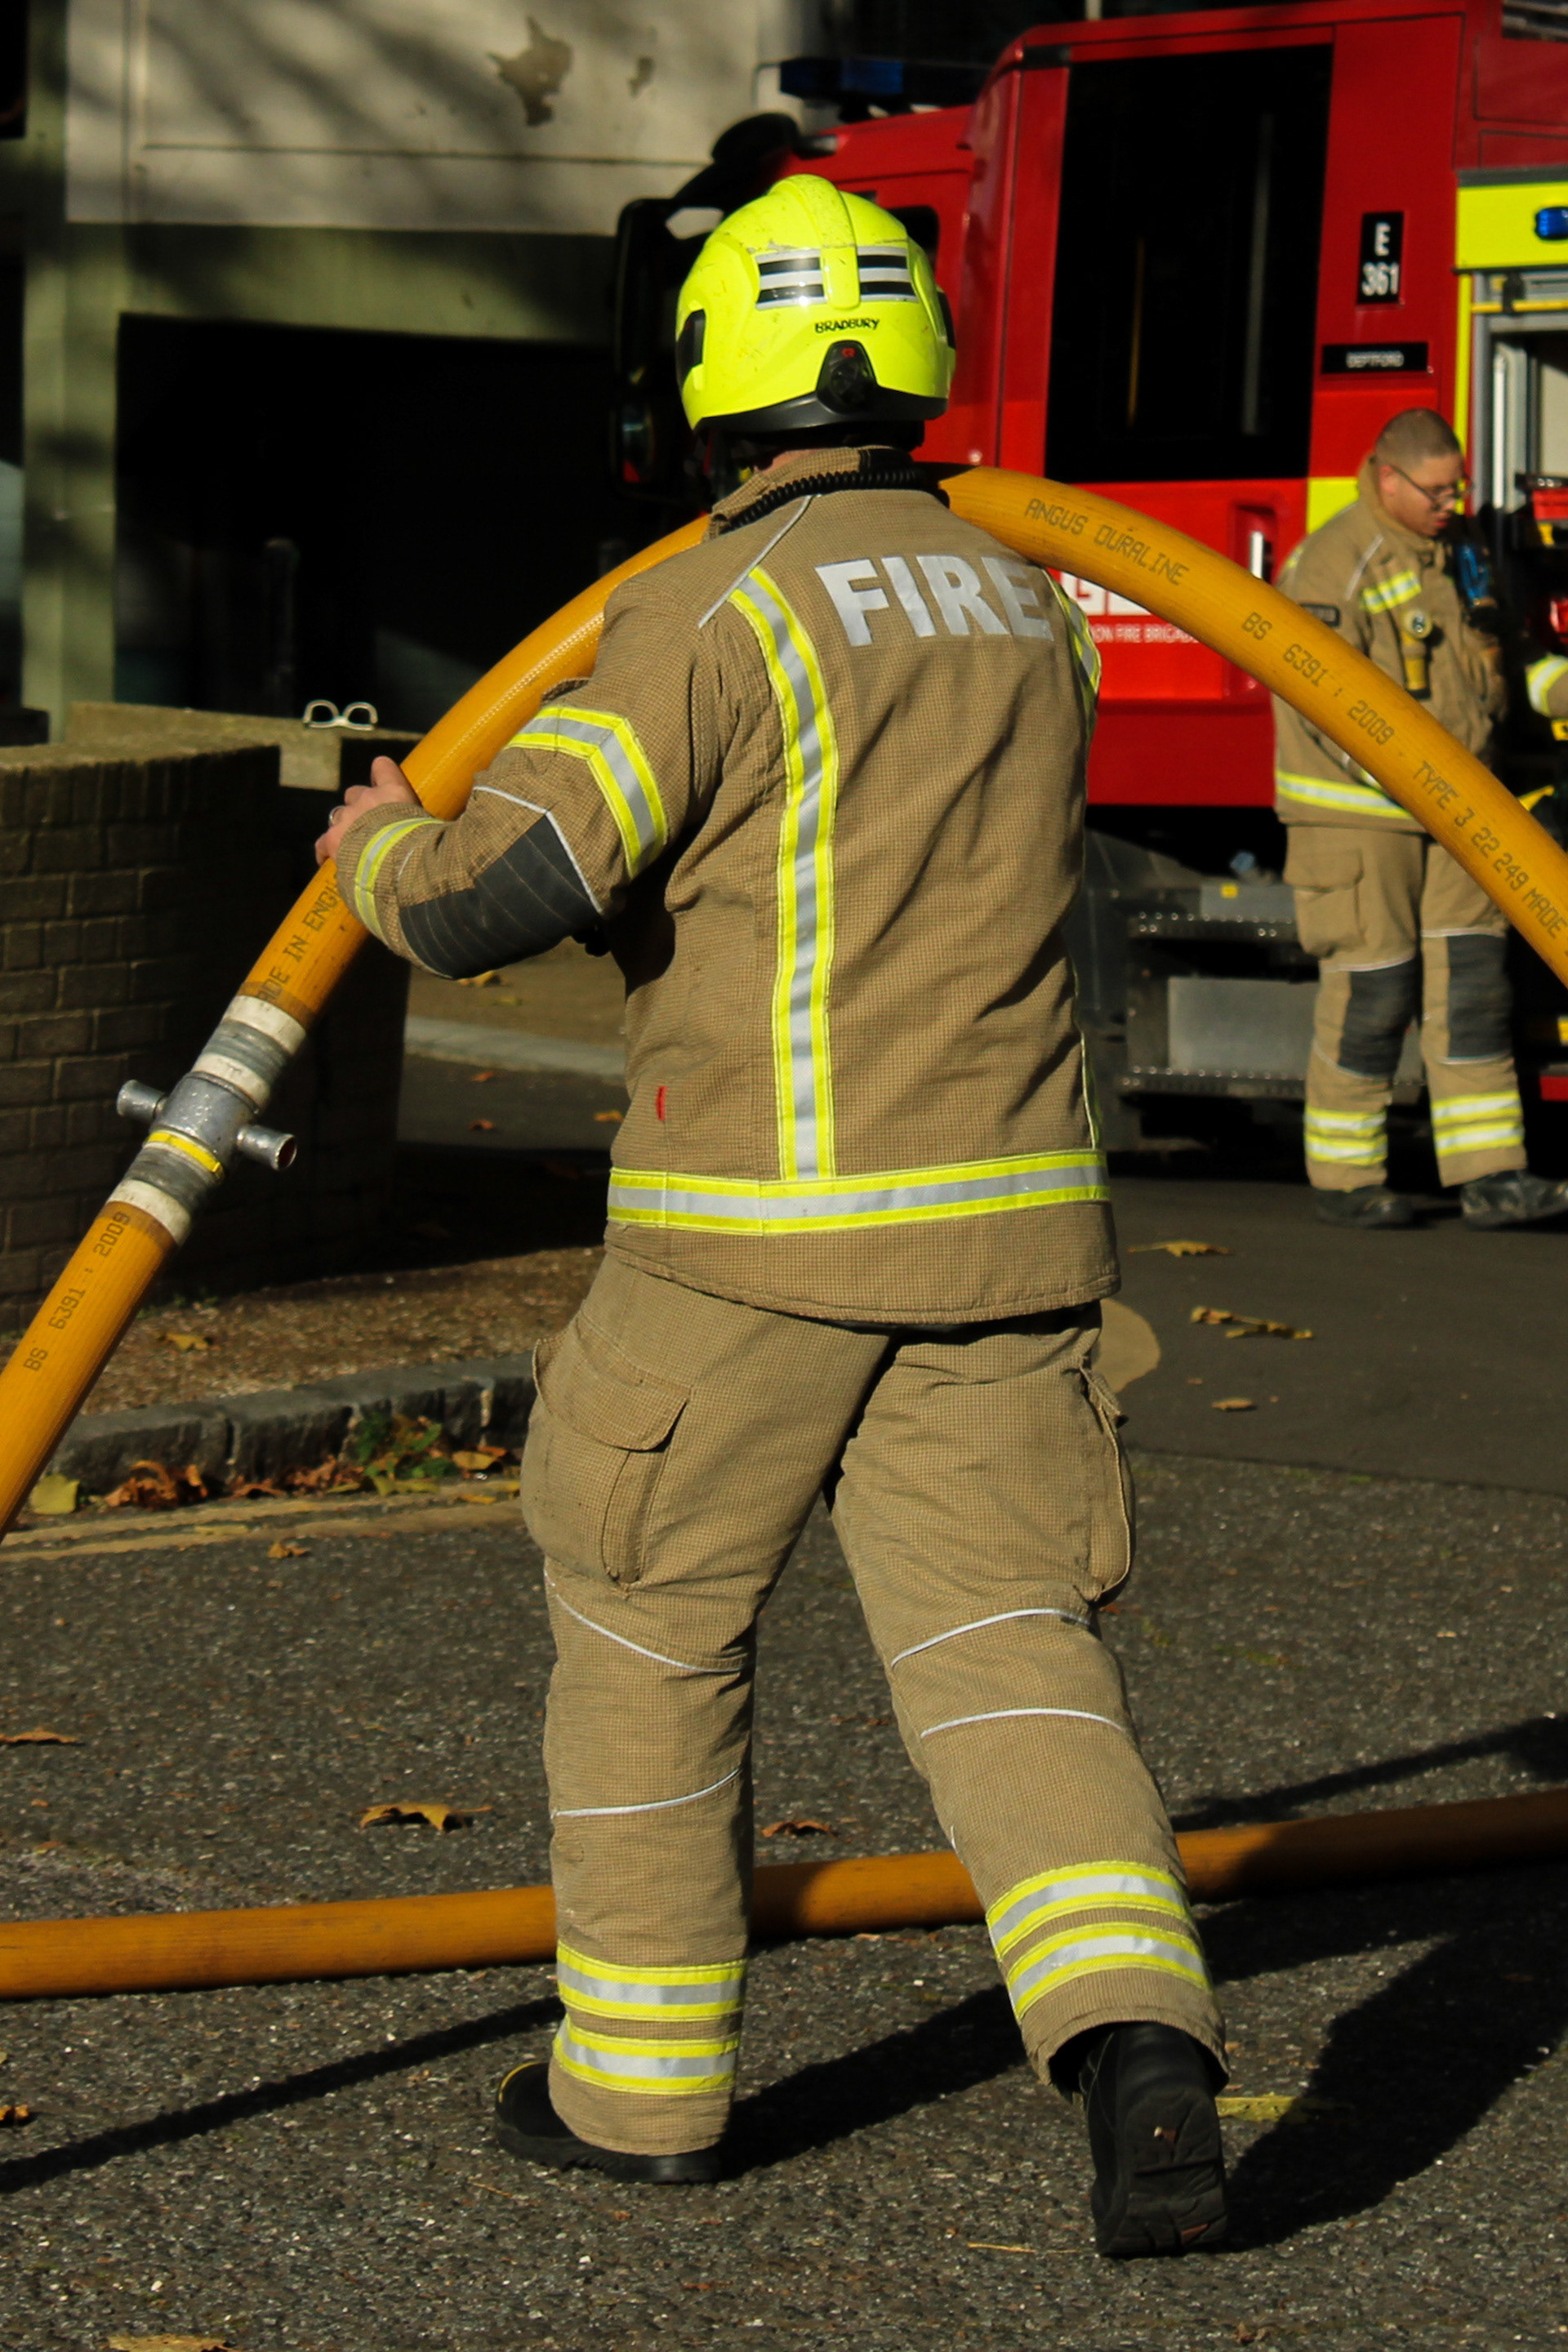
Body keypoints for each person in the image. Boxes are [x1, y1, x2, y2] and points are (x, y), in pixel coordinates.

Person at [316, 176, 1227, 2258]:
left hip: (749, 1237)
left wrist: (377, 851)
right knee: (1010, 1649)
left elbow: (511, 885)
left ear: (707, 381)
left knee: (646, 1619)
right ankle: (1139, 2038)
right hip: (1005, 1242)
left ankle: (639, 2093)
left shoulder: (712, 606)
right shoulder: (1022, 604)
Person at [1274, 407, 1568, 1229]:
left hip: (1462, 811)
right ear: (1387, 476)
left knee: (1474, 985)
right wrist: (1423, 784)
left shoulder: (1463, 551)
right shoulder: (1334, 562)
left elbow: (1508, 665)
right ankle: (1346, 1177)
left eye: (1457, 489)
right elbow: (1320, 709)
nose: (1451, 504)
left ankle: (1492, 1173)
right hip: (1362, 819)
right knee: (1374, 989)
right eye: (1436, 492)